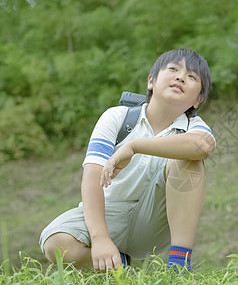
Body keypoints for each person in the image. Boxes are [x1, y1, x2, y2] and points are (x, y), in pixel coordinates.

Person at [40, 48, 216, 272]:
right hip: (108, 213)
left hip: (153, 221)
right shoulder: (117, 117)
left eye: (192, 77)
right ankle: (121, 267)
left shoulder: (194, 127)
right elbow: (92, 178)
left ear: (198, 100)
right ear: (151, 81)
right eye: (173, 69)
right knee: (55, 243)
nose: (181, 77)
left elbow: (202, 146)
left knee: (189, 160)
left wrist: (134, 147)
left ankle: (178, 268)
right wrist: (100, 237)